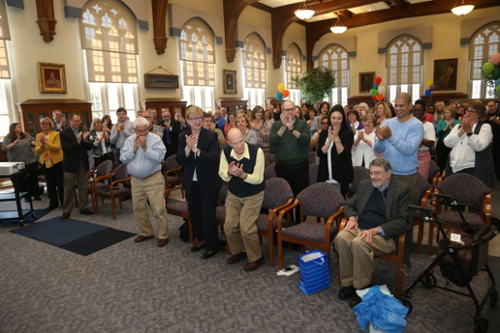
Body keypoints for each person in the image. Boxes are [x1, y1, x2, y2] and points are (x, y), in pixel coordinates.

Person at [335, 157, 411, 308]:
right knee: (341, 237)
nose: (374, 177)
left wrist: (377, 230)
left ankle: (362, 287)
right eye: (371, 173)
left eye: (378, 173)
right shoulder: (365, 185)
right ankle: (348, 283)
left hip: (383, 234)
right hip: (361, 227)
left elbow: (404, 221)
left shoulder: (402, 190)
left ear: (388, 173)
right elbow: (347, 205)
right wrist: (352, 217)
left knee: (359, 243)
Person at [176, 106, 222, 259]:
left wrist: (196, 150)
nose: (197, 121)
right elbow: (180, 159)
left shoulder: (211, 136)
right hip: (191, 182)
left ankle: (212, 245)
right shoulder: (183, 136)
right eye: (193, 118)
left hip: (208, 181)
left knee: (207, 215)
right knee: (195, 214)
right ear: (187, 120)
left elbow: (213, 158)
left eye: (199, 118)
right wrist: (188, 148)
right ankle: (201, 239)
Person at [218, 128, 265, 271]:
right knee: (230, 226)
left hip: (253, 194)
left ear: (244, 137)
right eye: (235, 143)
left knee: (246, 227)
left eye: (240, 141)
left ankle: (256, 257)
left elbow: (259, 178)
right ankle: (238, 251)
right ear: (229, 143)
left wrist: (243, 175)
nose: (239, 146)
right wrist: (229, 172)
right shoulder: (226, 151)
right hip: (234, 193)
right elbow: (222, 174)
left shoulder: (257, 151)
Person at [120, 117, 169, 247]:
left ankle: (163, 235)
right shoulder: (130, 140)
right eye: (140, 131)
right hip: (136, 181)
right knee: (138, 208)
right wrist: (134, 149)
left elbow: (159, 158)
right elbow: (123, 158)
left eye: (145, 130)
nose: (143, 134)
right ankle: (146, 232)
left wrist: (146, 148)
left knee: (158, 209)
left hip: (153, 179)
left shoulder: (155, 139)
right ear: (134, 130)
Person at [374, 92, 424, 206]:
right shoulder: (388, 122)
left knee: (405, 215)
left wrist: (390, 137)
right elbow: (378, 149)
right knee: (386, 212)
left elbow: (409, 149)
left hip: (406, 177)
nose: (398, 108)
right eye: (396, 105)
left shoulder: (416, 125)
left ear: (410, 106)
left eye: (401, 106)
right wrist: (381, 139)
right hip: (388, 175)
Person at [444, 100, 494, 187]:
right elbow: (447, 143)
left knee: (468, 197)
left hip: (471, 168)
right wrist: (461, 131)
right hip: (454, 166)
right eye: (467, 110)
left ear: (479, 114)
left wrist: (469, 132)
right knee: (451, 196)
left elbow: (479, 146)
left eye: (472, 111)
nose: (468, 113)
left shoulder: (485, 127)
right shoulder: (458, 126)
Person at [270, 100, 311, 198]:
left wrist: (292, 129)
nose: (290, 112)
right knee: (283, 197)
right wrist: (284, 127)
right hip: (282, 166)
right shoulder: (276, 125)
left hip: (300, 166)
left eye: (292, 109)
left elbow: (306, 141)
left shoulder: (302, 124)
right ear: (282, 111)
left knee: (300, 198)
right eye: (287, 110)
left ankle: (299, 214)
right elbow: (272, 142)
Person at [60, 113, 94, 219]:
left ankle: (83, 207)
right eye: (76, 121)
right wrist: (78, 141)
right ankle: (67, 210)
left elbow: (89, 147)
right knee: (69, 189)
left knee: (83, 187)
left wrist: (85, 139)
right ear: (70, 121)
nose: (78, 123)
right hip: (70, 165)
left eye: (79, 121)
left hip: (82, 163)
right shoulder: (64, 133)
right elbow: (66, 148)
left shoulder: (83, 131)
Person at [317, 104, 354, 197]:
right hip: (325, 175)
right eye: (333, 118)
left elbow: (342, 154)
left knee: (340, 206)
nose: (335, 121)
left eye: (339, 118)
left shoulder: (348, 133)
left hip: (341, 176)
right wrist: (329, 140)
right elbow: (320, 153)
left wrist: (336, 136)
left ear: (343, 119)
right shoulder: (324, 132)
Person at [2, 123, 41, 201]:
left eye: (20, 126)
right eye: (18, 127)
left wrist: (33, 143)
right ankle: (27, 196)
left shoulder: (26, 135)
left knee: (33, 178)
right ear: (13, 129)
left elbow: (33, 141)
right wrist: (14, 143)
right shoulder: (8, 137)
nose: (20, 128)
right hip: (17, 162)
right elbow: (4, 148)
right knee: (23, 180)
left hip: (30, 160)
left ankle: (36, 195)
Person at [35, 117, 64, 209]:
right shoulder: (38, 135)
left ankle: (64, 203)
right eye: (43, 124)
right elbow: (37, 151)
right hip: (45, 162)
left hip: (56, 161)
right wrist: (42, 144)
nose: (44, 126)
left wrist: (45, 143)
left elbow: (57, 147)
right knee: (50, 183)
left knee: (60, 183)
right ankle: (53, 203)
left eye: (46, 124)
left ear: (50, 125)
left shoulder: (56, 134)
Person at [413, 100, 435, 179]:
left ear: (424, 111)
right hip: (410, 156)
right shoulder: (409, 124)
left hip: (422, 156)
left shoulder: (428, 125)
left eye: (420, 110)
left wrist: (419, 139)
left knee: (420, 181)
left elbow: (431, 143)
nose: (417, 112)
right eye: (415, 110)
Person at [435, 106, 459, 171]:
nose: (446, 114)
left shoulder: (457, 123)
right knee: (441, 161)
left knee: (451, 160)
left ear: (452, 113)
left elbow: (459, 134)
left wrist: (451, 128)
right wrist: (445, 129)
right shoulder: (441, 123)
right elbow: (437, 134)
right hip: (441, 143)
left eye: (448, 112)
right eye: (445, 112)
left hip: (453, 144)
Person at [485, 101, 500, 181]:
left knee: (497, 158)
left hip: (498, 140)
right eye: (489, 106)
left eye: (492, 106)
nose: (490, 107)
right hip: (488, 141)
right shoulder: (485, 116)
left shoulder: (499, 114)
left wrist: (495, 120)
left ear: (496, 106)